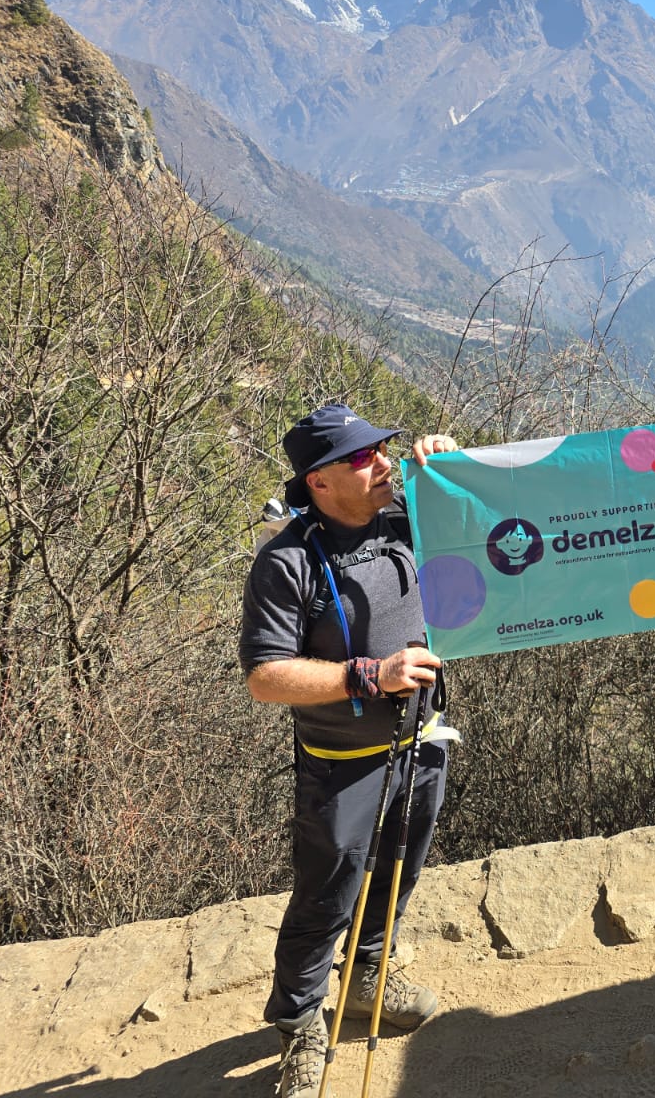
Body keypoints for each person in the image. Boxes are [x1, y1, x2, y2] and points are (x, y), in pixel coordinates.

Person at [240, 403, 458, 1097]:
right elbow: (265, 676)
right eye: (364, 457)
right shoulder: (287, 561)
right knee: (325, 898)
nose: (384, 461)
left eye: (385, 448)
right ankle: (300, 1029)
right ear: (320, 482)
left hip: (422, 743)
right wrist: (368, 675)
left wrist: (450, 469)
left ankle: (367, 979)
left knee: (399, 871)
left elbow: (496, 531)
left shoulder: (406, 521)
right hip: (340, 766)